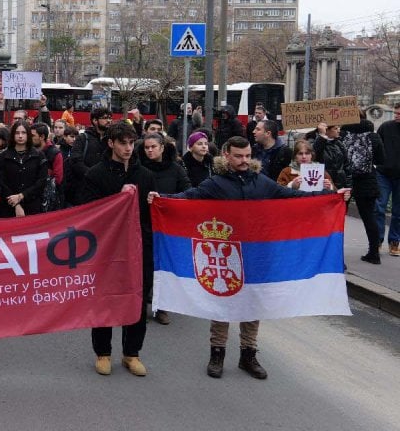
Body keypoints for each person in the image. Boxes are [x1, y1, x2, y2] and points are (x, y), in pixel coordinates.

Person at [149, 136, 349, 380]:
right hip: (227, 254)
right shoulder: (216, 184)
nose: (244, 161)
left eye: (246, 156)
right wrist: (161, 199)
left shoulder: (261, 182)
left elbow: (290, 197)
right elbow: (189, 198)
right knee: (222, 303)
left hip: (257, 254)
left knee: (253, 303)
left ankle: (248, 354)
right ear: (226, 155)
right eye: (238, 156)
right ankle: (217, 353)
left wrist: (331, 196)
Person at [76, 121, 156, 377]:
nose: (129, 148)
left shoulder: (145, 175)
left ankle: (132, 354)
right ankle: (103, 353)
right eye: (123, 143)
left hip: (137, 248)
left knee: (136, 299)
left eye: (132, 143)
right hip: (107, 249)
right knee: (105, 299)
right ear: (111, 143)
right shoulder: (95, 174)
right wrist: (117, 198)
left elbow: (151, 215)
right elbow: (88, 212)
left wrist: (155, 201)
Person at [138, 132, 189, 326]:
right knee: (145, 267)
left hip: (168, 226)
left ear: (162, 147)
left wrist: (165, 199)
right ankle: (141, 307)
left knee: (164, 267)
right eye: (146, 147)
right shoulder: (139, 168)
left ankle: (161, 307)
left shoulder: (175, 169)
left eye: (153, 147)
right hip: (143, 223)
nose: (150, 150)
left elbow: (187, 190)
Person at [341, 114, 386, 264]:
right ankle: (374, 253)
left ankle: (337, 255)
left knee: (339, 218)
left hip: (345, 180)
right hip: (367, 180)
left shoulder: (343, 133)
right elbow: (381, 159)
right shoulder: (373, 136)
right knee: (369, 218)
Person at [0, 121, 47, 217]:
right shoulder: (4, 156)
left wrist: (22, 196)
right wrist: (16, 203)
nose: (20, 136)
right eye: (17, 133)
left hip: (33, 206)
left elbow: (41, 181)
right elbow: (1, 182)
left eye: (23, 133)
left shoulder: (39, 155)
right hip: (8, 207)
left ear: (28, 135)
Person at [67, 106, 112, 205]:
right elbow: (75, 161)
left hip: (105, 191)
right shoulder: (83, 138)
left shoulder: (112, 139)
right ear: (95, 120)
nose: (109, 120)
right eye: (105, 118)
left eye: (110, 118)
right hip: (84, 191)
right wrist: (92, 175)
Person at [376, 102, 400, 257]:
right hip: (383, 173)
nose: (397, 116)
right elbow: (376, 145)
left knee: (398, 212)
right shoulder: (385, 127)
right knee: (379, 207)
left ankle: (394, 242)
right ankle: (377, 240)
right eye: (396, 113)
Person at [314, 123, 352, 191]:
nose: (339, 130)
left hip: (341, 185)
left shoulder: (339, 144)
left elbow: (346, 166)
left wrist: (348, 186)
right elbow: (315, 155)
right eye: (335, 128)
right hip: (325, 185)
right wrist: (322, 136)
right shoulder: (316, 143)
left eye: (338, 128)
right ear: (326, 130)